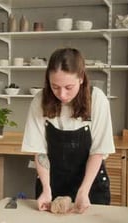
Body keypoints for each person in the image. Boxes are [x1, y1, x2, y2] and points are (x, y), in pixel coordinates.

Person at [21, 47, 115, 213]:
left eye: (68, 87)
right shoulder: (40, 101)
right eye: (55, 87)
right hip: (52, 185)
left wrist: (83, 190)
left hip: (91, 187)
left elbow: (98, 151)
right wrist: (46, 189)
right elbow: (39, 151)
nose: (62, 94)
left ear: (81, 78)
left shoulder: (97, 100)